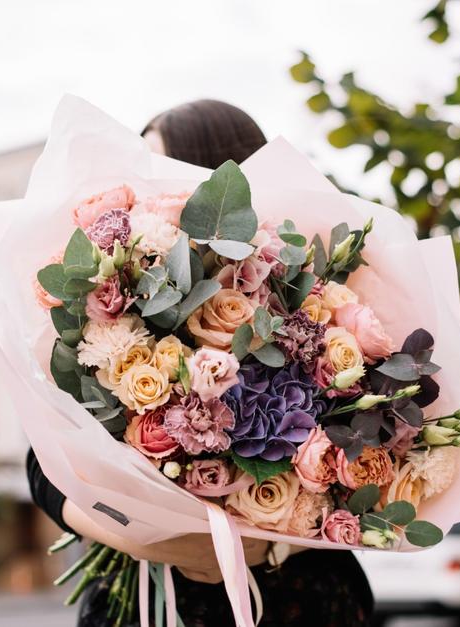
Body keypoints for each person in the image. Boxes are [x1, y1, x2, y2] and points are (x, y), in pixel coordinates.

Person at [26, 99, 373, 627]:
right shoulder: (116, 305)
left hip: (295, 594)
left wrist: (273, 546)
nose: (148, 185)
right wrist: (142, 538)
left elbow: (370, 463)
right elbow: (45, 465)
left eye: (160, 166)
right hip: (145, 590)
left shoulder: (309, 301)